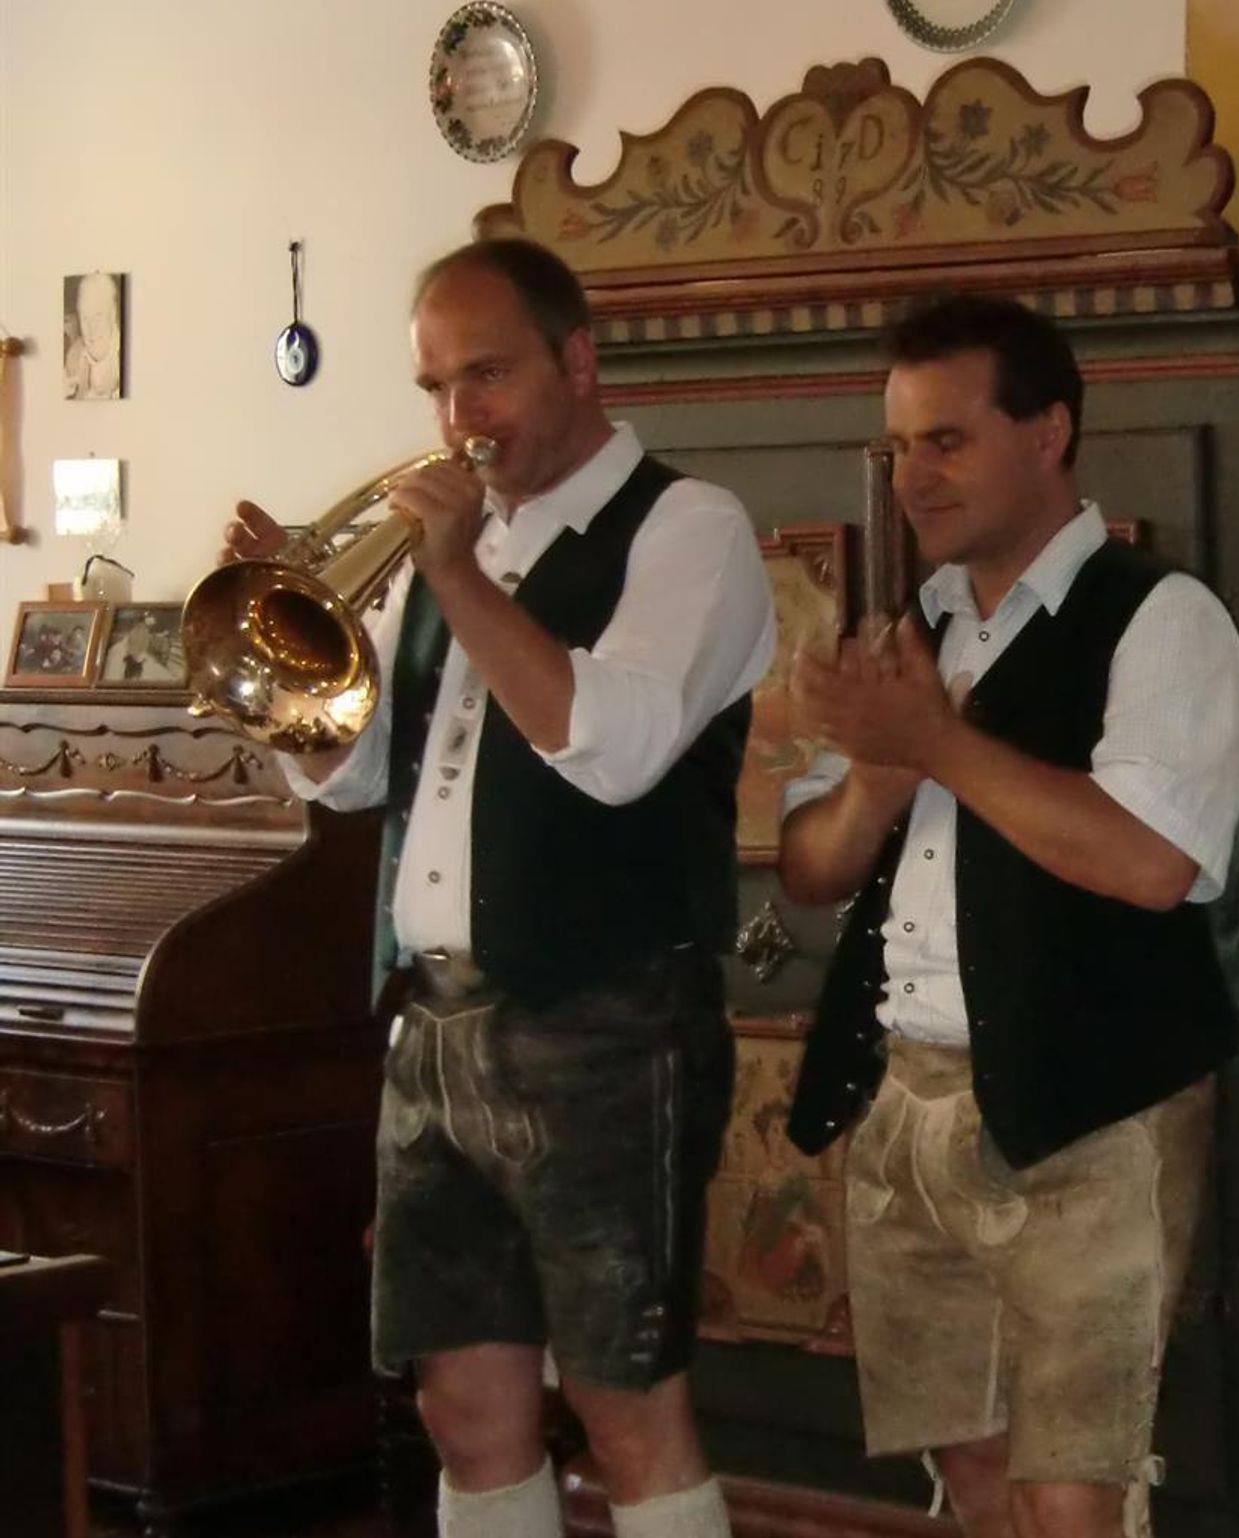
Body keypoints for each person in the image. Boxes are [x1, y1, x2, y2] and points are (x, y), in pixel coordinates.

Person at [223, 237, 775, 1538]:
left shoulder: (687, 528)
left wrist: (459, 574)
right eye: (434, 385)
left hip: (606, 1023)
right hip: (436, 1024)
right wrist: (290, 653)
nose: (456, 416)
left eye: (487, 374)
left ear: (577, 361)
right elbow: (359, 775)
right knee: (463, 1411)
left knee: (626, 1405)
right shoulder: (449, 548)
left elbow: (615, 746)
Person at [778, 295, 1239, 1538]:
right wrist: (878, 777)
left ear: (1047, 432)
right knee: (974, 1472)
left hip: (1095, 1110)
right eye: (899, 447)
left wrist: (937, 742)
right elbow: (810, 866)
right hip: (910, 1096)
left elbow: (1151, 860)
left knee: (1071, 1496)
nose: (912, 478)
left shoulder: (1160, 616)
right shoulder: (914, 630)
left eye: (946, 440)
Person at [64, 272, 121, 399]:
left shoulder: (128, 358)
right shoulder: (73, 355)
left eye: (97, 317)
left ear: (112, 315)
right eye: (85, 319)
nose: (91, 329)